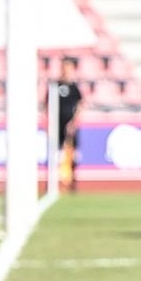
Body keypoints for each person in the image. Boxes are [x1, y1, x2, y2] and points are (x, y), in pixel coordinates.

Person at [52, 57, 84, 193]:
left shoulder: (74, 87)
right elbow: (47, 105)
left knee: (73, 152)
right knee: (56, 152)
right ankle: (55, 181)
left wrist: (74, 122)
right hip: (57, 124)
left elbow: (80, 104)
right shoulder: (55, 86)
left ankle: (73, 181)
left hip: (70, 124)